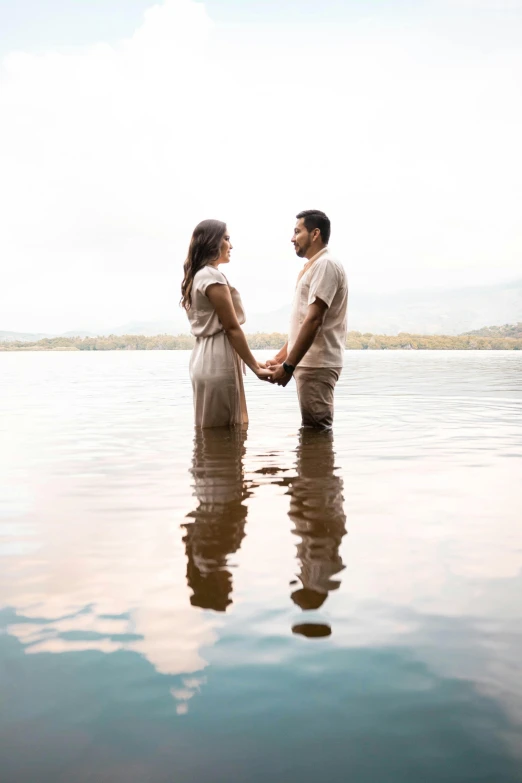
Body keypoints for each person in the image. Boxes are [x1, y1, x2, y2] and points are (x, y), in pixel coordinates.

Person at [181, 219, 270, 428]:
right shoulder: (212, 276)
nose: (231, 245)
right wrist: (255, 367)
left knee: (212, 437)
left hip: (202, 357)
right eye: (227, 239)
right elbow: (231, 328)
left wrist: (256, 363)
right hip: (218, 359)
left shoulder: (197, 276)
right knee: (226, 433)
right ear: (213, 242)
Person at [267, 210, 348, 430]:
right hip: (309, 362)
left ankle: (317, 465)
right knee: (313, 432)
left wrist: (289, 365)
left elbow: (314, 320)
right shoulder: (314, 266)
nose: (292, 238)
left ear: (315, 234)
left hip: (317, 363)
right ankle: (312, 464)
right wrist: (281, 358)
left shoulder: (326, 265)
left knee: (316, 432)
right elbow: (303, 321)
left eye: (297, 232)